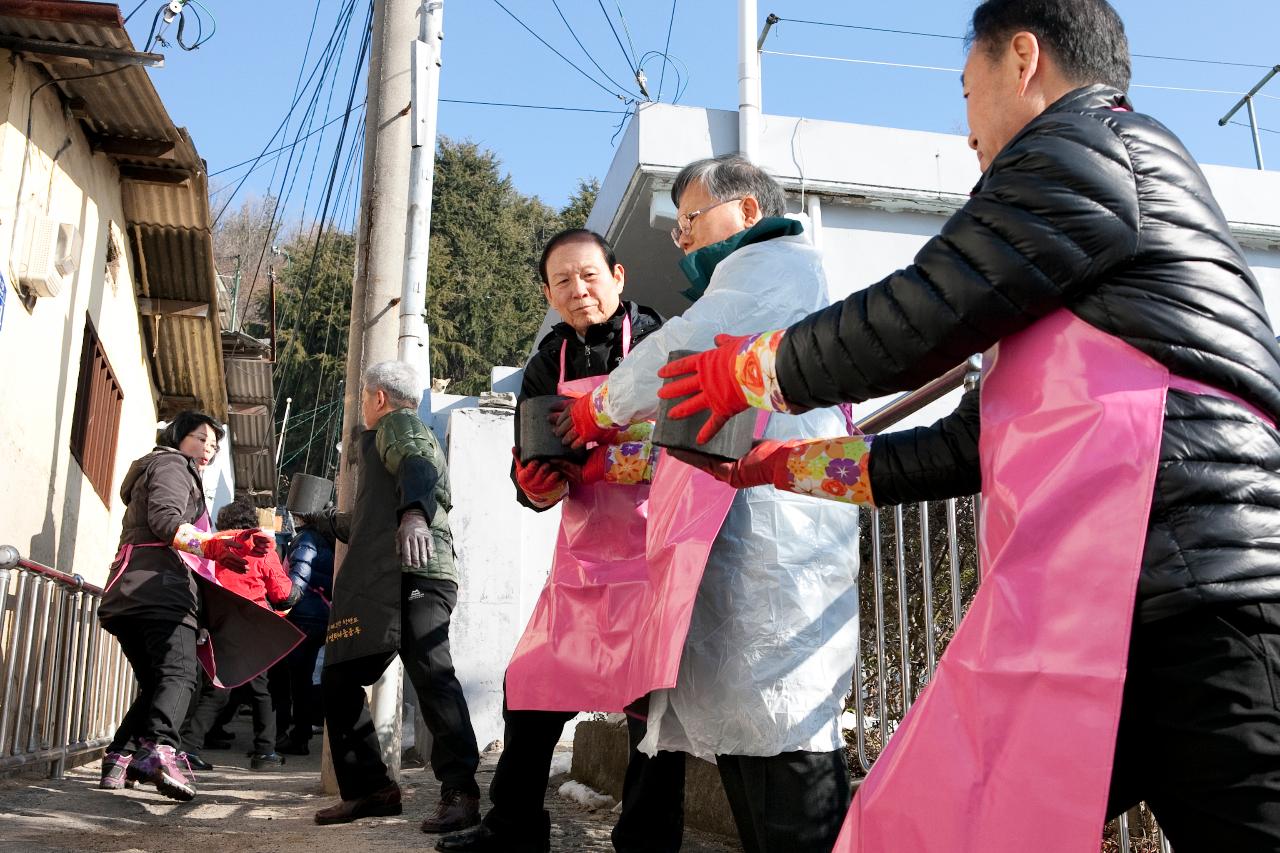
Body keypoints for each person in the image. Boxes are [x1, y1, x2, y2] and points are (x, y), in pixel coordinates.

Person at [654, 1, 1280, 850]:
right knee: (938, 820)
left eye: (966, 88)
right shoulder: (1066, 258)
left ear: (1022, 60)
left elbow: (926, 305)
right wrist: (787, 466)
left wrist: (756, 369)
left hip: (1205, 596)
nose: (967, 128)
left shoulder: (1088, 147)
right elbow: (964, 447)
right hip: (1108, 614)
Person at [555, 157, 861, 853]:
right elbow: (689, 426)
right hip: (742, 554)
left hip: (777, 556)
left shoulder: (779, 266)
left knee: (788, 762)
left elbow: (681, 355)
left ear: (748, 211)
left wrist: (599, 405)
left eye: (689, 219)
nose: (682, 237)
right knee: (756, 757)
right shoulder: (745, 284)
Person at [439, 229, 681, 853]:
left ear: (618, 276)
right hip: (584, 558)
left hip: (659, 551)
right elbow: (534, 460)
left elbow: (689, 446)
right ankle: (513, 829)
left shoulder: (662, 343)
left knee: (652, 713)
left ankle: (646, 842)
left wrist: (602, 464)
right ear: (548, 292)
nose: (579, 291)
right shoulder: (549, 364)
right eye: (563, 282)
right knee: (531, 686)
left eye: (590, 275)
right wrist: (533, 485)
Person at [310, 361, 482, 835]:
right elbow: (367, 522)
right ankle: (371, 789)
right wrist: (322, 522)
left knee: (431, 675)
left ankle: (461, 792)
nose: (364, 407)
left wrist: (414, 517)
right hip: (389, 578)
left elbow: (419, 468)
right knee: (342, 678)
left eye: (364, 398)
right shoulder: (385, 440)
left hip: (420, 572)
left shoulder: (398, 425)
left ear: (378, 398)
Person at [97, 411, 272, 801]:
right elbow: (165, 521)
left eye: (213, 444)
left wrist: (222, 546)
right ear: (178, 437)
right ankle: (160, 752)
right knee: (180, 676)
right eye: (200, 438)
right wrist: (213, 545)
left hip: (130, 592)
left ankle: (118, 758)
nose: (208, 449)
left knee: (160, 685)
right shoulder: (174, 465)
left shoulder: (160, 469)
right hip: (161, 591)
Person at [181, 498, 297, 771]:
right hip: (252, 621)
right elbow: (281, 591)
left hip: (219, 621)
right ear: (251, 522)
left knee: (218, 688)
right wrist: (296, 593)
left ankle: (189, 747)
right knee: (261, 690)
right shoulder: (261, 544)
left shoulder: (211, 544)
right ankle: (265, 752)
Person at [274, 510, 336, 755]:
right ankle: (301, 733)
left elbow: (299, 575)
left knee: (286, 679)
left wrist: (284, 603)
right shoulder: (333, 543)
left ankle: (286, 736)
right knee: (305, 679)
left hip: (300, 616)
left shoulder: (306, 539)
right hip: (322, 616)